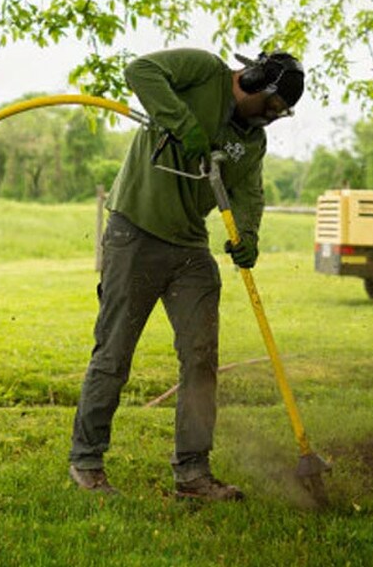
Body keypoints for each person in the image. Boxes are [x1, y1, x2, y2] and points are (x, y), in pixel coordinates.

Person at [68, 47, 305, 501]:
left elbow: (248, 191)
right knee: (114, 353)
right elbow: (140, 70)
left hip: (189, 248)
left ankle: (193, 473)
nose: (272, 118)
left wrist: (248, 233)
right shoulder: (204, 72)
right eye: (271, 106)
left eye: (281, 113)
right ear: (253, 80)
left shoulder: (253, 140)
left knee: (200, 358)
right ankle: (87, 460)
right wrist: (185, 125)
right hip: (134, 231)